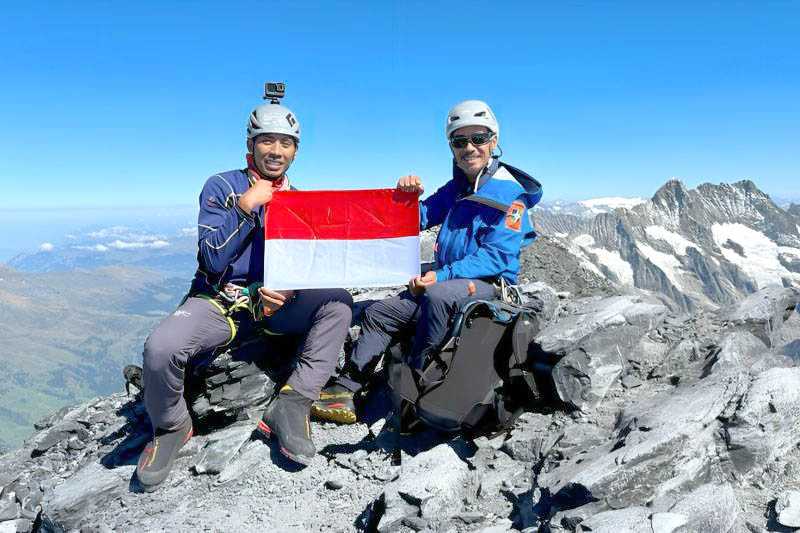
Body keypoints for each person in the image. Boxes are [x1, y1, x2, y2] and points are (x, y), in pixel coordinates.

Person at [136, 90, 353, 490]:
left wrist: (287, 291)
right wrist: (245, 208)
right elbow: (212, 259)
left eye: (285, 143)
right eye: (266, 141)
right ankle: (171, 427)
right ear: (250, 145)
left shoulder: (300, 201)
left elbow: (308, 265)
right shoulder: (222, 186)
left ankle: (292, 403)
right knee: (161, 348)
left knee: (338, 302)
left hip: (273, 307)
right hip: (219, 303)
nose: (276, 150)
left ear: (295, 151)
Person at [312, 100, 542, 424]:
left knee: (437, 297)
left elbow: (497, 256)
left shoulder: (511, 197)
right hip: (448, 280)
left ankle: (420, 388)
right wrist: (405, 198)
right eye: (459, 141)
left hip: (486, 286)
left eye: (478, 138)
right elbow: (417, 218)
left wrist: (442, 275)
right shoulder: (456, 189)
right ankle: (345, 389)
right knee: (381, 313)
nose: (469, 148)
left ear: (493, 141)